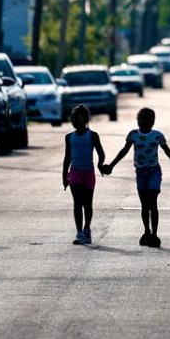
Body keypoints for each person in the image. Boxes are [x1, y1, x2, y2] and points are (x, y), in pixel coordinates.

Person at [103, 107, 170, 247]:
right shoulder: (133, 135)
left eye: (146, 119)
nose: (143, 122)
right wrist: (111, 165)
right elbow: (124, 151)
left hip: (154, 173)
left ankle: (154, 234)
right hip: (140, 174)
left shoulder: (157, 136)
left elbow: (168, 151)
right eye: (140, 119)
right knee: (144, 204)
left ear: (153, 122)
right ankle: (146, 231)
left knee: (152, 203)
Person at [61, 104, 106, 245]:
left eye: (78, 117)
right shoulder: (69, 137)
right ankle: (79, 232)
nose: (75, 120)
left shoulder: (93, 136)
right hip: (74, 173)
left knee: (87, 204)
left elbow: (101, 153)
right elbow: (67, 157)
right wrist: (64, 175)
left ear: (86, 119)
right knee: (77, 203)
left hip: (88, 174)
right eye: (73, 117)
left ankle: (87, 229)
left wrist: (100, 164)